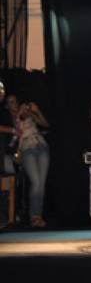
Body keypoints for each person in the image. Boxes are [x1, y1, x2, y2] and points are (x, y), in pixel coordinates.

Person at [6, 94, 50, 228]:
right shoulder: (11, 117)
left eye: (14, 101)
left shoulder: (27, 113)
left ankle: (38, 216)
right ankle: (34, 216)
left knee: (41, 183)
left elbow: (45, 124)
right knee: (36, 182)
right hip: (27, 148)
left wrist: (36, 111)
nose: (13, 103)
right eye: (10, 102)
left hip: (41, 145)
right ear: (7, 106)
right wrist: (20, 113)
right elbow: (18, 129)